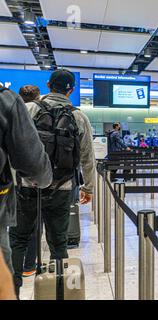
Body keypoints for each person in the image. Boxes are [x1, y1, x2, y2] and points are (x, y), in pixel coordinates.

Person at [9, 69, 95, 296]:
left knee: (18, 239)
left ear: (48, 85)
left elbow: (11, 148)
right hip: (63, 188)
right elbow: (87, 156)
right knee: (58, 243)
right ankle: (60, 293)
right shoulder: (79, 117)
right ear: (72, 90)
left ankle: (12, 292)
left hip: (26, 186)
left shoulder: (28, 109)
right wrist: (88, 188)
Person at [0, 85, 52, 299]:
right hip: (34, 187)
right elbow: (33, 163)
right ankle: (32, 269)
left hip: (18, 193)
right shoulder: (6, 102)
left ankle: (22, 275)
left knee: (19, 236)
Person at [18, 85, 43, 278]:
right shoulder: (42, 112)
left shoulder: (14, 113)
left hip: (13, 180)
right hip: (37, 179)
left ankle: (13, 269)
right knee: (35, 223)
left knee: (16, 228)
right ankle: (29, 265)